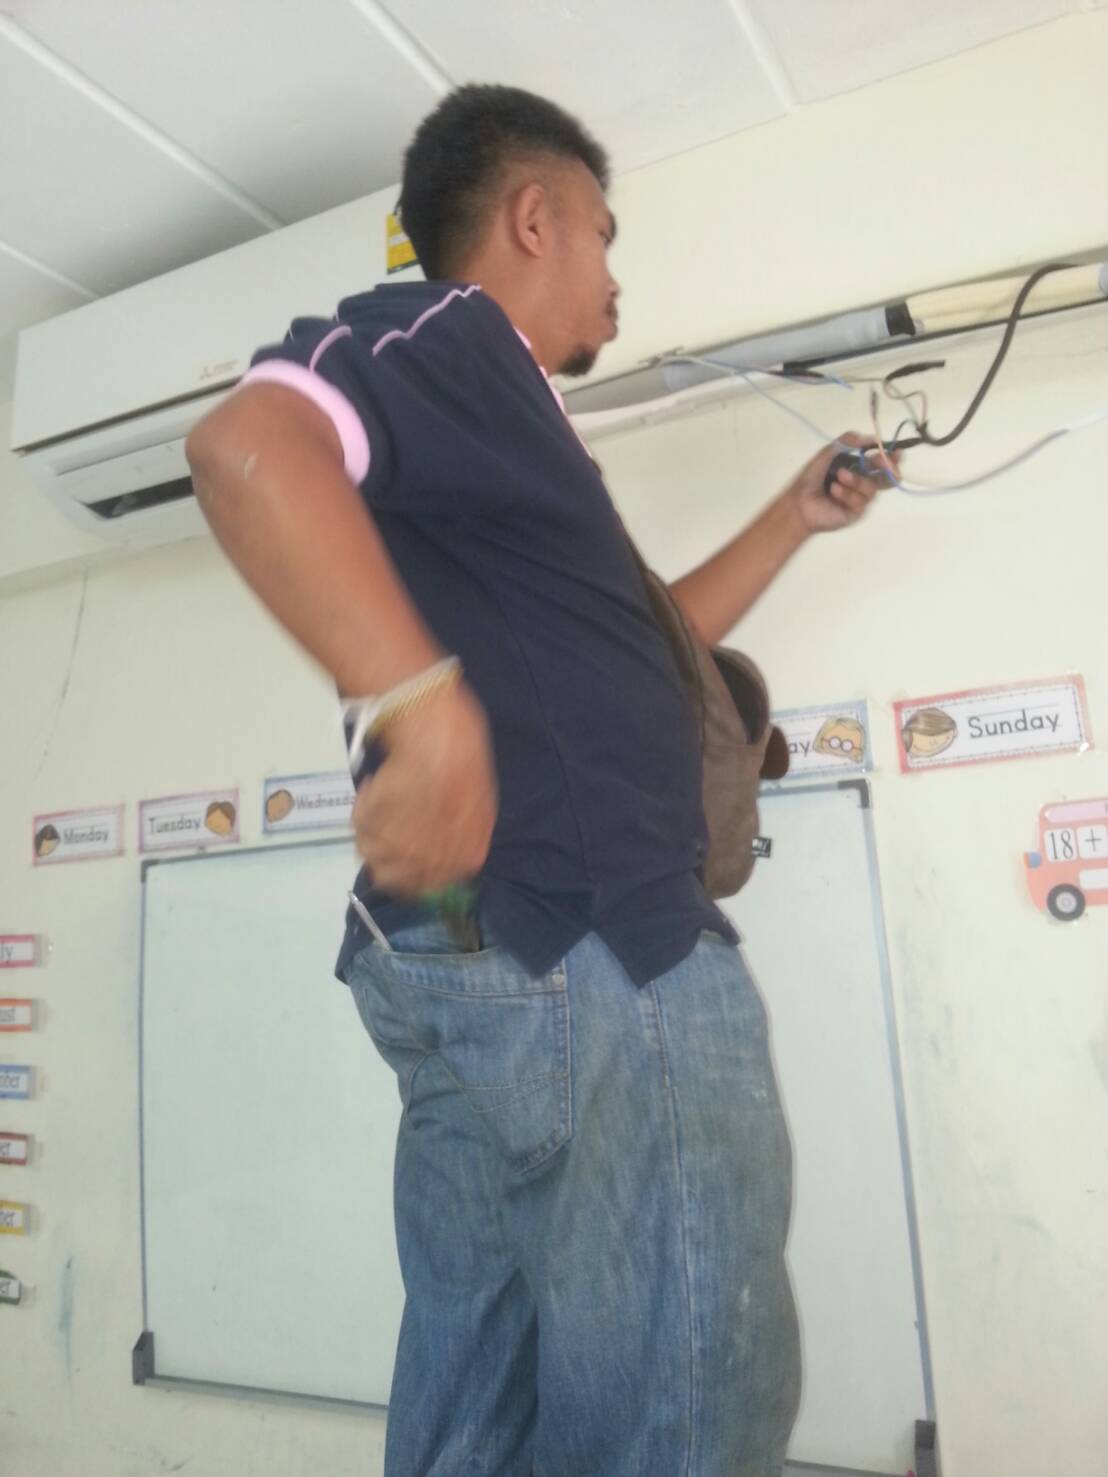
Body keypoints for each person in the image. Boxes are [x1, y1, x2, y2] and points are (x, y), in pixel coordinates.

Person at [186, 84, 892, 1477]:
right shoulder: (446, 335)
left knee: (479, 1409)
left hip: (492, 957)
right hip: (591, 940)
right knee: (678, 1413)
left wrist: (793, 517)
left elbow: (657, 641)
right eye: (605, 238)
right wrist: (419, 705)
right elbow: (246, 445)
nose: (617, 279)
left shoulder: (516, 437)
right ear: (532, 218)